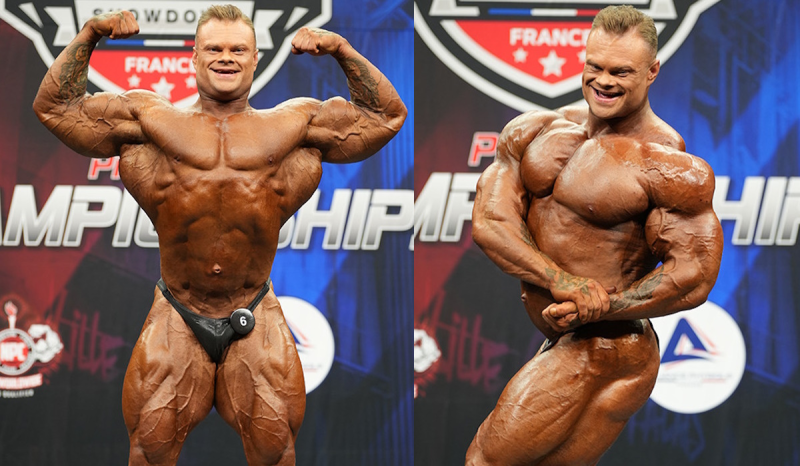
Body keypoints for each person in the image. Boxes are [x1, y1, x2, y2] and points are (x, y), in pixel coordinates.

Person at [33, 5, 406, 465]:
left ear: (255, 58)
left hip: (253, 308)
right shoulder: (149, 121)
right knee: (149, 452)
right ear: (193, 57)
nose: (226, 57)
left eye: (238, 50)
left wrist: (341, 49)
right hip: (178, 311)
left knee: (275, 453)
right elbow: (55, 108)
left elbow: (385, 116)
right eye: (214, 48)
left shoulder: (294, 125)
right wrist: (90, 33)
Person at [466, 5, 723, 465]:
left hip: (608, 345)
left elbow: (693, 274)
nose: (603, 81)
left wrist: (606, 305)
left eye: (621, 72)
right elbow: (491, 222)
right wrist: (561, 281)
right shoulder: (534, 130)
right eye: (595, 66)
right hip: (571, 340)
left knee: (486, 459)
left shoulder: (666, 163)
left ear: (652, 72)